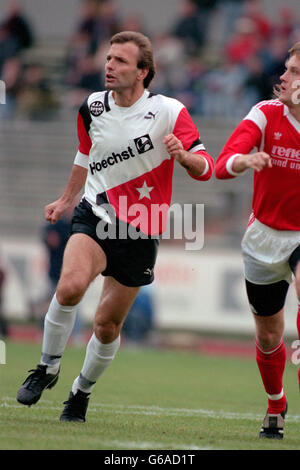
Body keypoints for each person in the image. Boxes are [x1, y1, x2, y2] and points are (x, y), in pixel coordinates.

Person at [17, 31, 214, 422]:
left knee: (107, 326)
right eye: (108, 58)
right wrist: (67, 199)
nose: (109, 65)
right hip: (96, 213)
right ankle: (47, 367)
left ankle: (81, 391)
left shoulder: (170, 111)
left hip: (140, 230)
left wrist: (184, 157)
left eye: (120, 61)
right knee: (69, 286)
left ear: (143, 71)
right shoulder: (91, 106)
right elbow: (85, 152)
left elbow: (206, 167)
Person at [215, 42, 300, 439]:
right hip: (264, 239)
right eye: (286, 68)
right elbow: (221, 165)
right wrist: (245, 161)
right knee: (269, 336)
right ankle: (276, 404)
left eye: (295, 71)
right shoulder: (265, 115)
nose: (283, 77)